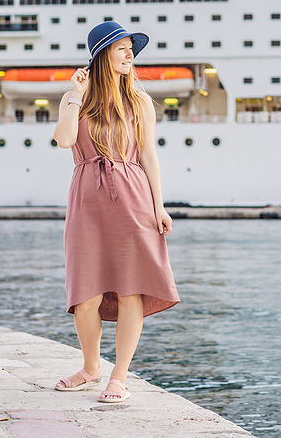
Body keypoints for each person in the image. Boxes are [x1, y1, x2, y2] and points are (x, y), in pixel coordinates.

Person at [52, 21, 179, 403]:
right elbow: (64, 140)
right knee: (85, 294)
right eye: (121, 48)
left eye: (130, 48)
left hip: (134, 198)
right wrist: (75, 96)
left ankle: (118, 376)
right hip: (87, 199)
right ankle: (91, 367)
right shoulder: (75, 96)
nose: (129, 54)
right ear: (102, 55)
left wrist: (160, 205)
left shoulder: (139, 101)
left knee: (129, 291)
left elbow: (150, 157)